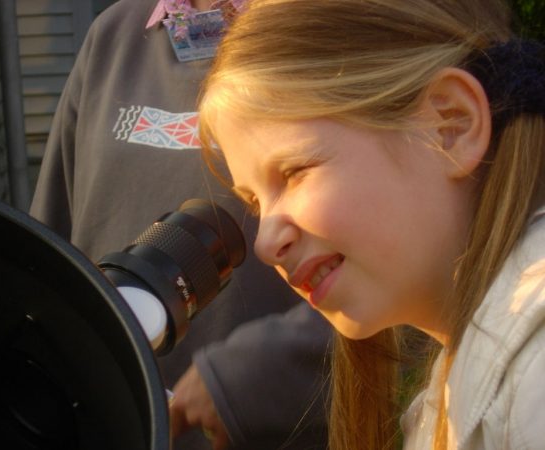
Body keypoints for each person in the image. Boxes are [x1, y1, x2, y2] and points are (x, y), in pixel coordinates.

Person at [197, 0, 545, 449]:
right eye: (255, 203)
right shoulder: (461, 389)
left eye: (294, 171)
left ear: (450, 125)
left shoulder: (534, 372)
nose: (264, 243)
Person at [29, 0, 332, 449]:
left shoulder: (336, 26)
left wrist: (260, 371)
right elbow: (46, 250)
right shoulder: (113, 36)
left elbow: (416, 265)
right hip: (103, 423)